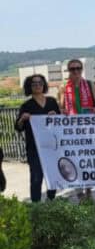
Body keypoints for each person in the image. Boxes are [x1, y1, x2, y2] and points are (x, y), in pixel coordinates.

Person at [60, 58, 95, 202]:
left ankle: (89, 191)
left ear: (82, 69)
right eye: (72, 69)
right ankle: (79, 193)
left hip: (88, 129)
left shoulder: (89, 84)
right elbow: (60, 107)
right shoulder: (63, 88)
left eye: (78, 68)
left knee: (88, 160)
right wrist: (62, 111)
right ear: (69, 71)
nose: (76, 71)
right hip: (72, 131)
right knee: (74, 161)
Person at [15, 74, 60, 202]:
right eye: (34, 84)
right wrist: (22, 119)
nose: (37, 85)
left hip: (52, 146)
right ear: (30, 87)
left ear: (44, 85)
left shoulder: (52, 101)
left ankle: (51, 200)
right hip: (34, 148)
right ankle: (36, 206)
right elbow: (18, 127)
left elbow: (61, 123)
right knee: (36, 177)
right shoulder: (26, 105)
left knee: (53, 174)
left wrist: (55, 116)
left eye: (40, 83)